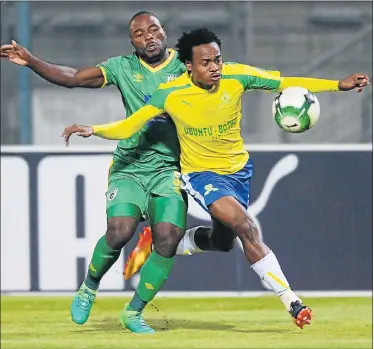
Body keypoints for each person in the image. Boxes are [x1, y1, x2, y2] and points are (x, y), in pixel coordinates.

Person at [62, 28, 370, 332]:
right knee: (246, 227)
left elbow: (285, 81)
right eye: (206, 62)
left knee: (223, 242)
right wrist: (95, 129)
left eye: (218, 60)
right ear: (189, 65)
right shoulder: (170, 94)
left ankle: (173, 241)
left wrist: (337, 85)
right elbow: (131, 125)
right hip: (201, 174)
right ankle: (292, 302)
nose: (215, 68)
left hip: (238, 172)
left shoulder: (236, 76)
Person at [1, 11, 199, 334]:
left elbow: (224, 81)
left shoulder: (186, 66)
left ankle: (134, 312)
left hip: (169, 169)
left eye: (153, 29)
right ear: (132, 41)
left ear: (164, 31)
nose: (148, 36)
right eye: (139, 33)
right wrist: (33, 62)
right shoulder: (122, 67)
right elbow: (74, 76)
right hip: (131, 166)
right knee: (120, 231)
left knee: (169, 239)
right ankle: (89, 287)